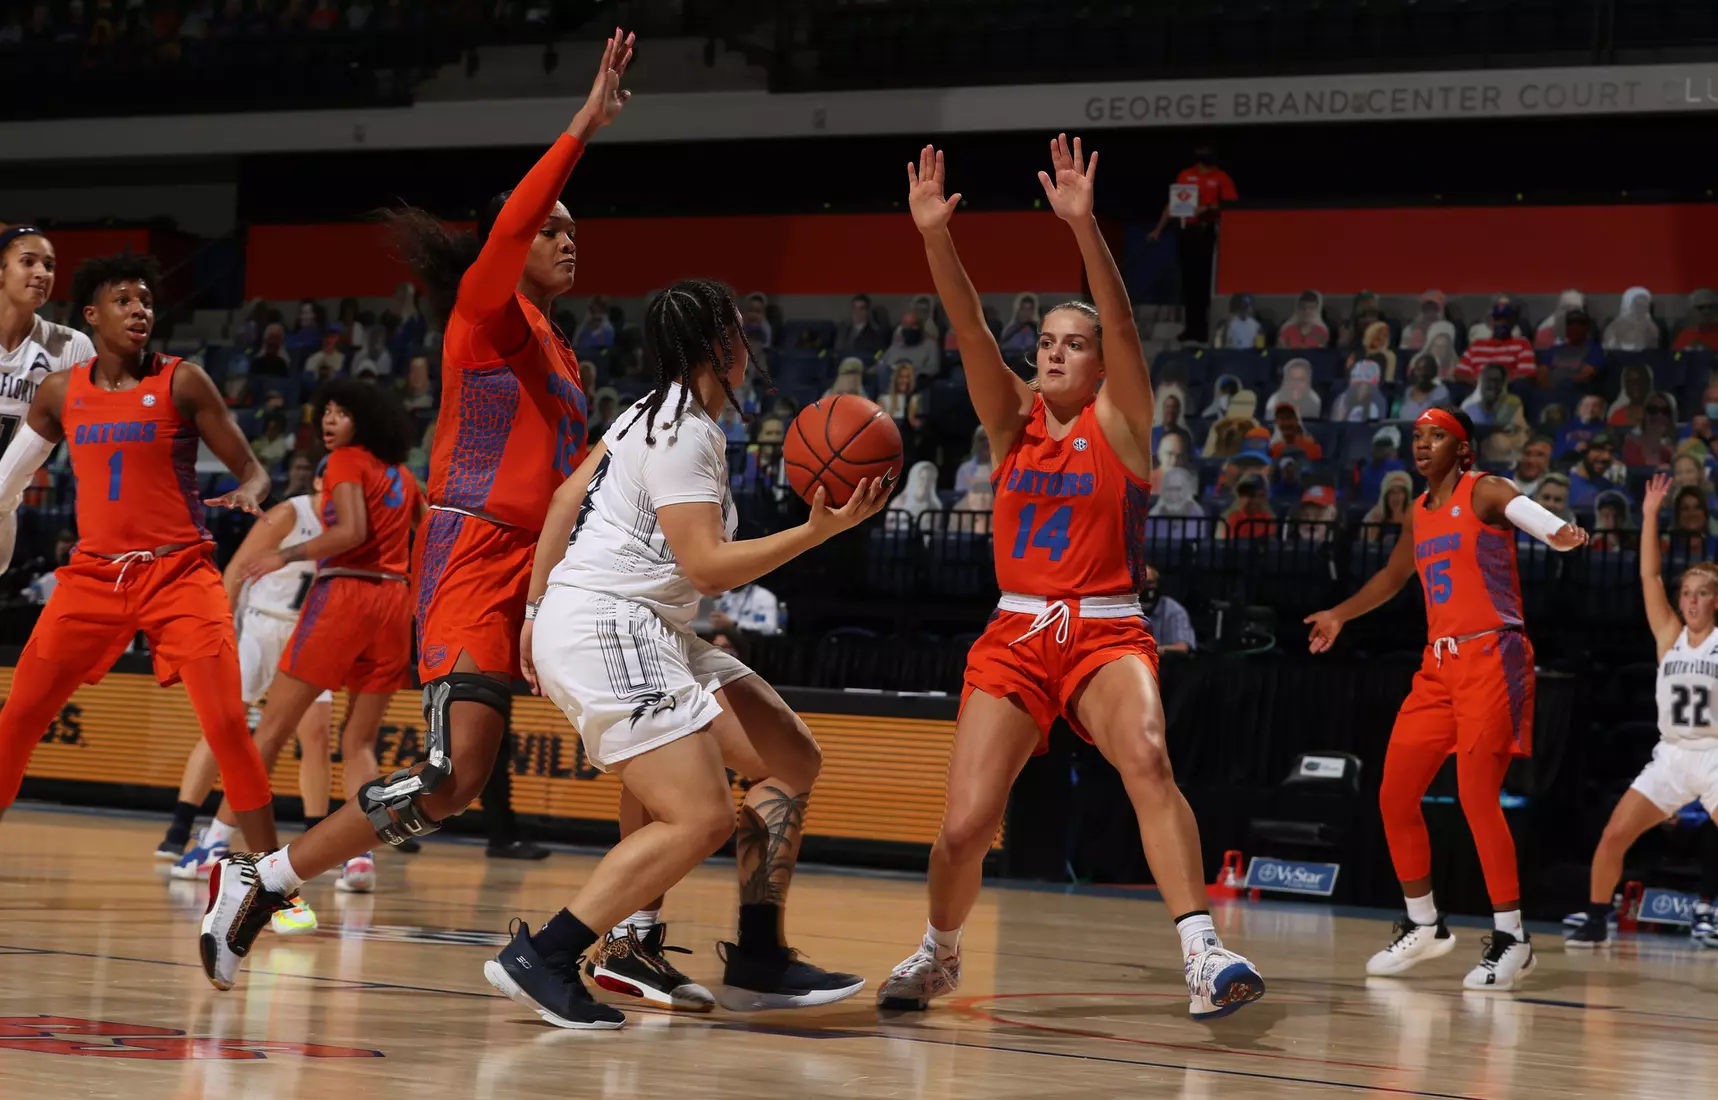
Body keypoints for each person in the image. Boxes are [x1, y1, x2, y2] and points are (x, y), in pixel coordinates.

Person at [191, 29, 636, 992]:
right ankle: (262, 880)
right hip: (473, 551)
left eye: (575, 229)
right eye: (552, 228)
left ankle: (633, 930)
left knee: (649, 715)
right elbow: (513, 226)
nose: (568, 239)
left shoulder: (564, 355)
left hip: (544, 560)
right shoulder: (486, 312)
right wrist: (580, 126)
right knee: (452, 779)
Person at [886, 137, 1265, 1018]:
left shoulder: (1123, 424)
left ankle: (1203, 953)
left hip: (1105, 627)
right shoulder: (1008, 420)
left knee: (1147, 757)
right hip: (1016, 633)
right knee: (965, 826)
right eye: (1048, 342)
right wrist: (935, 237)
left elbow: (1125, 323)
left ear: (1099, 365)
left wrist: (1086, 228)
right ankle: (939, 952)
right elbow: (971, 327)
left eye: (1074, 345)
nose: (1054, 354)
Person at [493, 277, 888, 1028]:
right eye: (740, 333)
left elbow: (562, 501)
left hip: (636, 621)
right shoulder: (685, 435)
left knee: (789, 758)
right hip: (611, 621)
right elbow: (706, 566)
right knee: (701, 816)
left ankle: (757, 954)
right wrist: (818, 530)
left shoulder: (649, 411)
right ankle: (546, 953)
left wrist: (536, 607)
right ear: (720, 347)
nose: (751, 346)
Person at [0, 253, 278, 858]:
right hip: (92, 577)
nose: (139, 310)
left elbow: (253, 469)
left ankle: (271, 881)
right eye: (124, 300)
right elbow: (8, 480)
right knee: (16, 719)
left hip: (178, 573)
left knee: (229, 727)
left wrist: (250, 492)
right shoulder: (57, 392)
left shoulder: (182, 379)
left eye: (146, 300)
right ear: (92, 316)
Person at [1306, 406, 1588, 990]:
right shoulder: (1419, 509)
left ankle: (1513, 938)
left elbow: (1525, 510)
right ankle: (1425, 925)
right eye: (1418, 436)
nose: (1423, 444)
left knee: (1477, 798)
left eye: (1438, 436)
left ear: (1463, 449)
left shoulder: (1482, 489)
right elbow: (1392, 575)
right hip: (1438, 665)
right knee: (1393, 794)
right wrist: (1339, 614)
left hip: (1494, 656)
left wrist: (1558, 533)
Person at [198, 380, 422, 936]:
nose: (329, 421)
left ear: (362, 422)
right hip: (394, 602)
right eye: (325, 411)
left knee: (271, 731)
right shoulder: (405, 476)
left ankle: (220, 851)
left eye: (341, 413)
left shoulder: (346, 460)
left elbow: (351, 531)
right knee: (360, 742)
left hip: (344, 595)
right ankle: (361, 856)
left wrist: (285, 554)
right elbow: (417, 548)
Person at [159, 457, 338, 937]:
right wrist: (220, 629)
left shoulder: (354, 523)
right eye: (332, 475)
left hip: (308, 635)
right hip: (259, 627)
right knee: (226, 727)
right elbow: (235, 571)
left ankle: (314, 836)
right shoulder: (291, 512)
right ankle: (184, 829)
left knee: (316, 736)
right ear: (320, 479)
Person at [1567, 474, 1718, 947]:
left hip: (1714, 754)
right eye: (1687, 593)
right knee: (1614, 835)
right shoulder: (1668, 636)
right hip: (1672, 754)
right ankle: (1596, 918)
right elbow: (1649, 575)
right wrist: (1651, 513)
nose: (1692, 600)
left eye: (1702, 593)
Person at [0, 226, 94, 572]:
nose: (42, 273)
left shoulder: (71, 347)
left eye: (50, 265)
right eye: (28, 262)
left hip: (6, 502)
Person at [1149, 142, 1237, 345]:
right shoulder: (1186, 175)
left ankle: (1203, 329)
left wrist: (1206, 208)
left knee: (1202, 283)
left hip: (1205, 233)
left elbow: (1230, 204)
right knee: (1188, 283)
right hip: (1185, 232)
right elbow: (1174, 203)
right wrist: (1158, 229)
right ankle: (1190, 328)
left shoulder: (1220, 178)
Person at [1454, 300, 1536, 382]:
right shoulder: (1477, 345)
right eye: (1498, 319)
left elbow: (1527, 373)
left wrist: (1498, 383)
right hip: (1476, 387)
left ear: (1512, 322)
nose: (1501, 323)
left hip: (1509, 388)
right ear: (1492, 322)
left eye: (1506, 319)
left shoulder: (1522, 344)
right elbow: (1460, 373)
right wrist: (1481, 384)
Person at [1141, 565, 1194, 654]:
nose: (1145, 587)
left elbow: (1182, 648)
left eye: (1149, 582)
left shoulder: (1174, 611)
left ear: (1158, 585)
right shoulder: (1123, 609)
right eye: (1141, 583)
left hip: (1165, 664)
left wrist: (1149, 651)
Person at [1569, 431, 1626, 509]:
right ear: (1586, 451)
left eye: (1611, 452)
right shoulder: (1566, 484)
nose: (1606, 457)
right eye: (1599, 450)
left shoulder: (1612, 488)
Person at [1624, 393, 1677, 468]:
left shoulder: (1672, 451)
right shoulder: (1631, 444)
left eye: (1665, 411)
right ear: (1645, 414)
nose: (1659, 415)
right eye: (1653, 410)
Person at [1362, 470, 1414, 542]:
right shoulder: (1375, 516)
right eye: (1392, 492)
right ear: (1386, 496)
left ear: (1406, 495)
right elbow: (1365, 545)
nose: (1396, 497)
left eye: (1400, 492)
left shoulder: (1415, 516)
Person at [1395, 354, 1450, 423]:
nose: (1423, 373)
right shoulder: (1409, 391)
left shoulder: (1441, 391)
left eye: (1426, 369)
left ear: (1434, 372)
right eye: (1419, 369)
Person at [1604, 286, 1660, 351]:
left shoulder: (1652, 327)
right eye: (1639, 304)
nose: (1641, 308)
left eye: (1645, 305)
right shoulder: (1617, 324)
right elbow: (1608, 346)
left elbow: (1654, 349)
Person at [834, 294, 887, 361]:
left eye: (861, 309)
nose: (857, 312)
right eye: (854, 308)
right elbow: (837, 351)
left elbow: (880, 356)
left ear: (867, 311)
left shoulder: (876, 332)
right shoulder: (844, 328)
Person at [953, 426, 991, 495]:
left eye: (990, 438)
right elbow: (960, 497)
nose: (987, 442)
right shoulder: (965, 469)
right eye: (982, 439)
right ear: (975, 443)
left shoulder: (1006, 468)